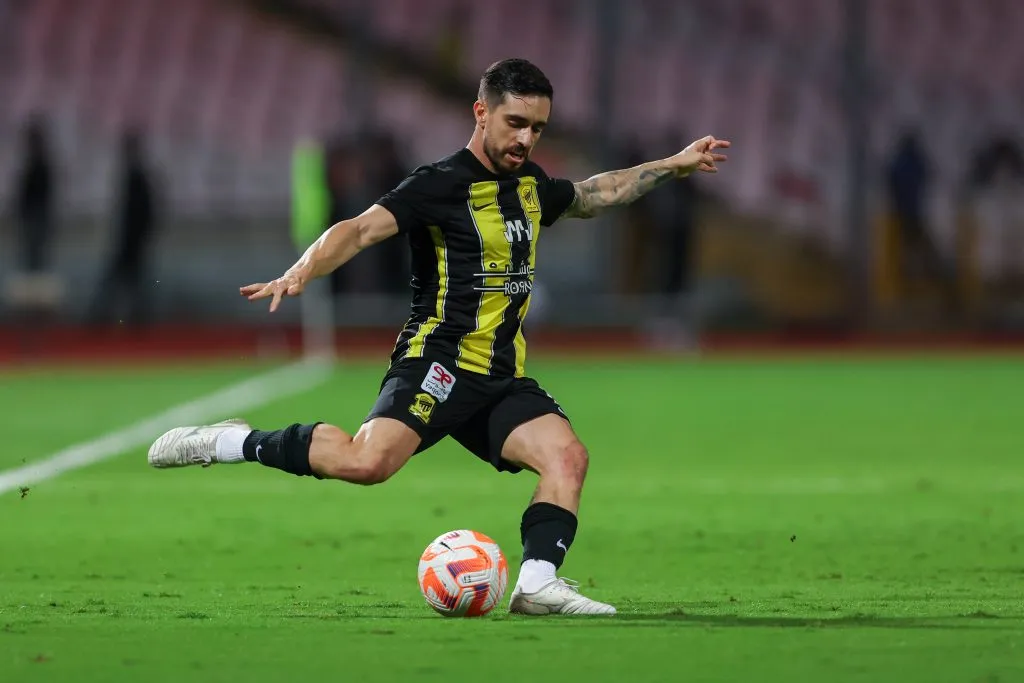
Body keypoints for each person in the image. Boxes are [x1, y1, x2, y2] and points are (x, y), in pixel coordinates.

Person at [147, 58, 729, 616]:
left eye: (537, 128)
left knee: (567, 457)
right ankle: (233, 442)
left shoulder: (530, 186)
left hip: (499, 375)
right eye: (515, 123)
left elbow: (596, 194)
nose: (525, 139)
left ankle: (536, 585)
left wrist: (674, 165)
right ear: (481, 112)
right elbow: (359, 229)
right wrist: (302, 270)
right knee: (367, 463)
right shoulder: (440, 184)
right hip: (440, 362)